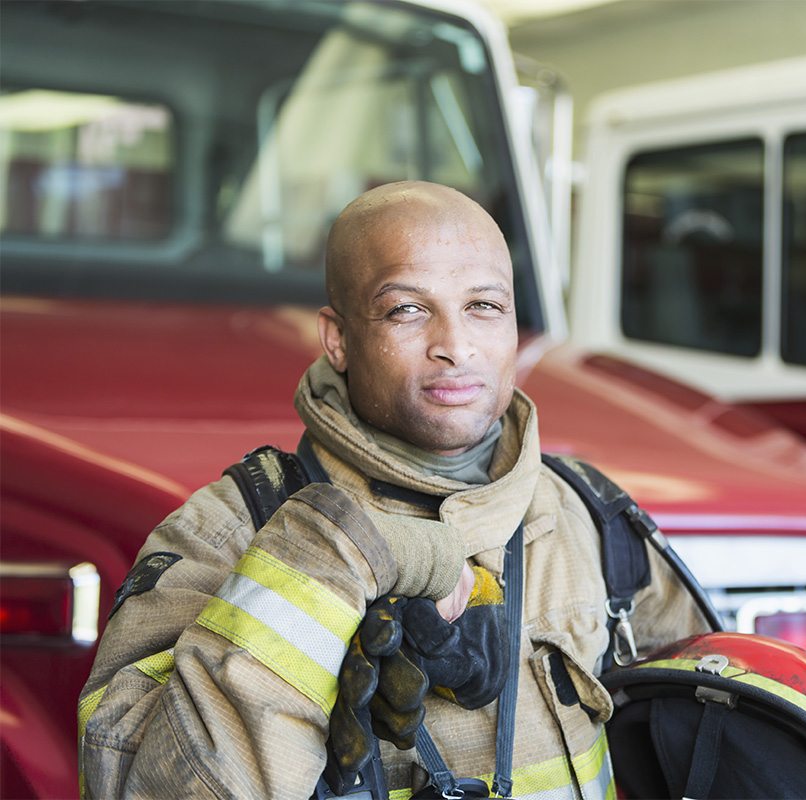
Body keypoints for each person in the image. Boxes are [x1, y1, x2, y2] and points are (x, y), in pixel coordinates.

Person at [78, 181, 708, 798]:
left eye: (484, 306)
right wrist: (339, 555)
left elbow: (706, 730)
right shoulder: (231, 532)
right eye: (407, 309)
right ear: (340, 339)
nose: (455, 346)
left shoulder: (586, 514)